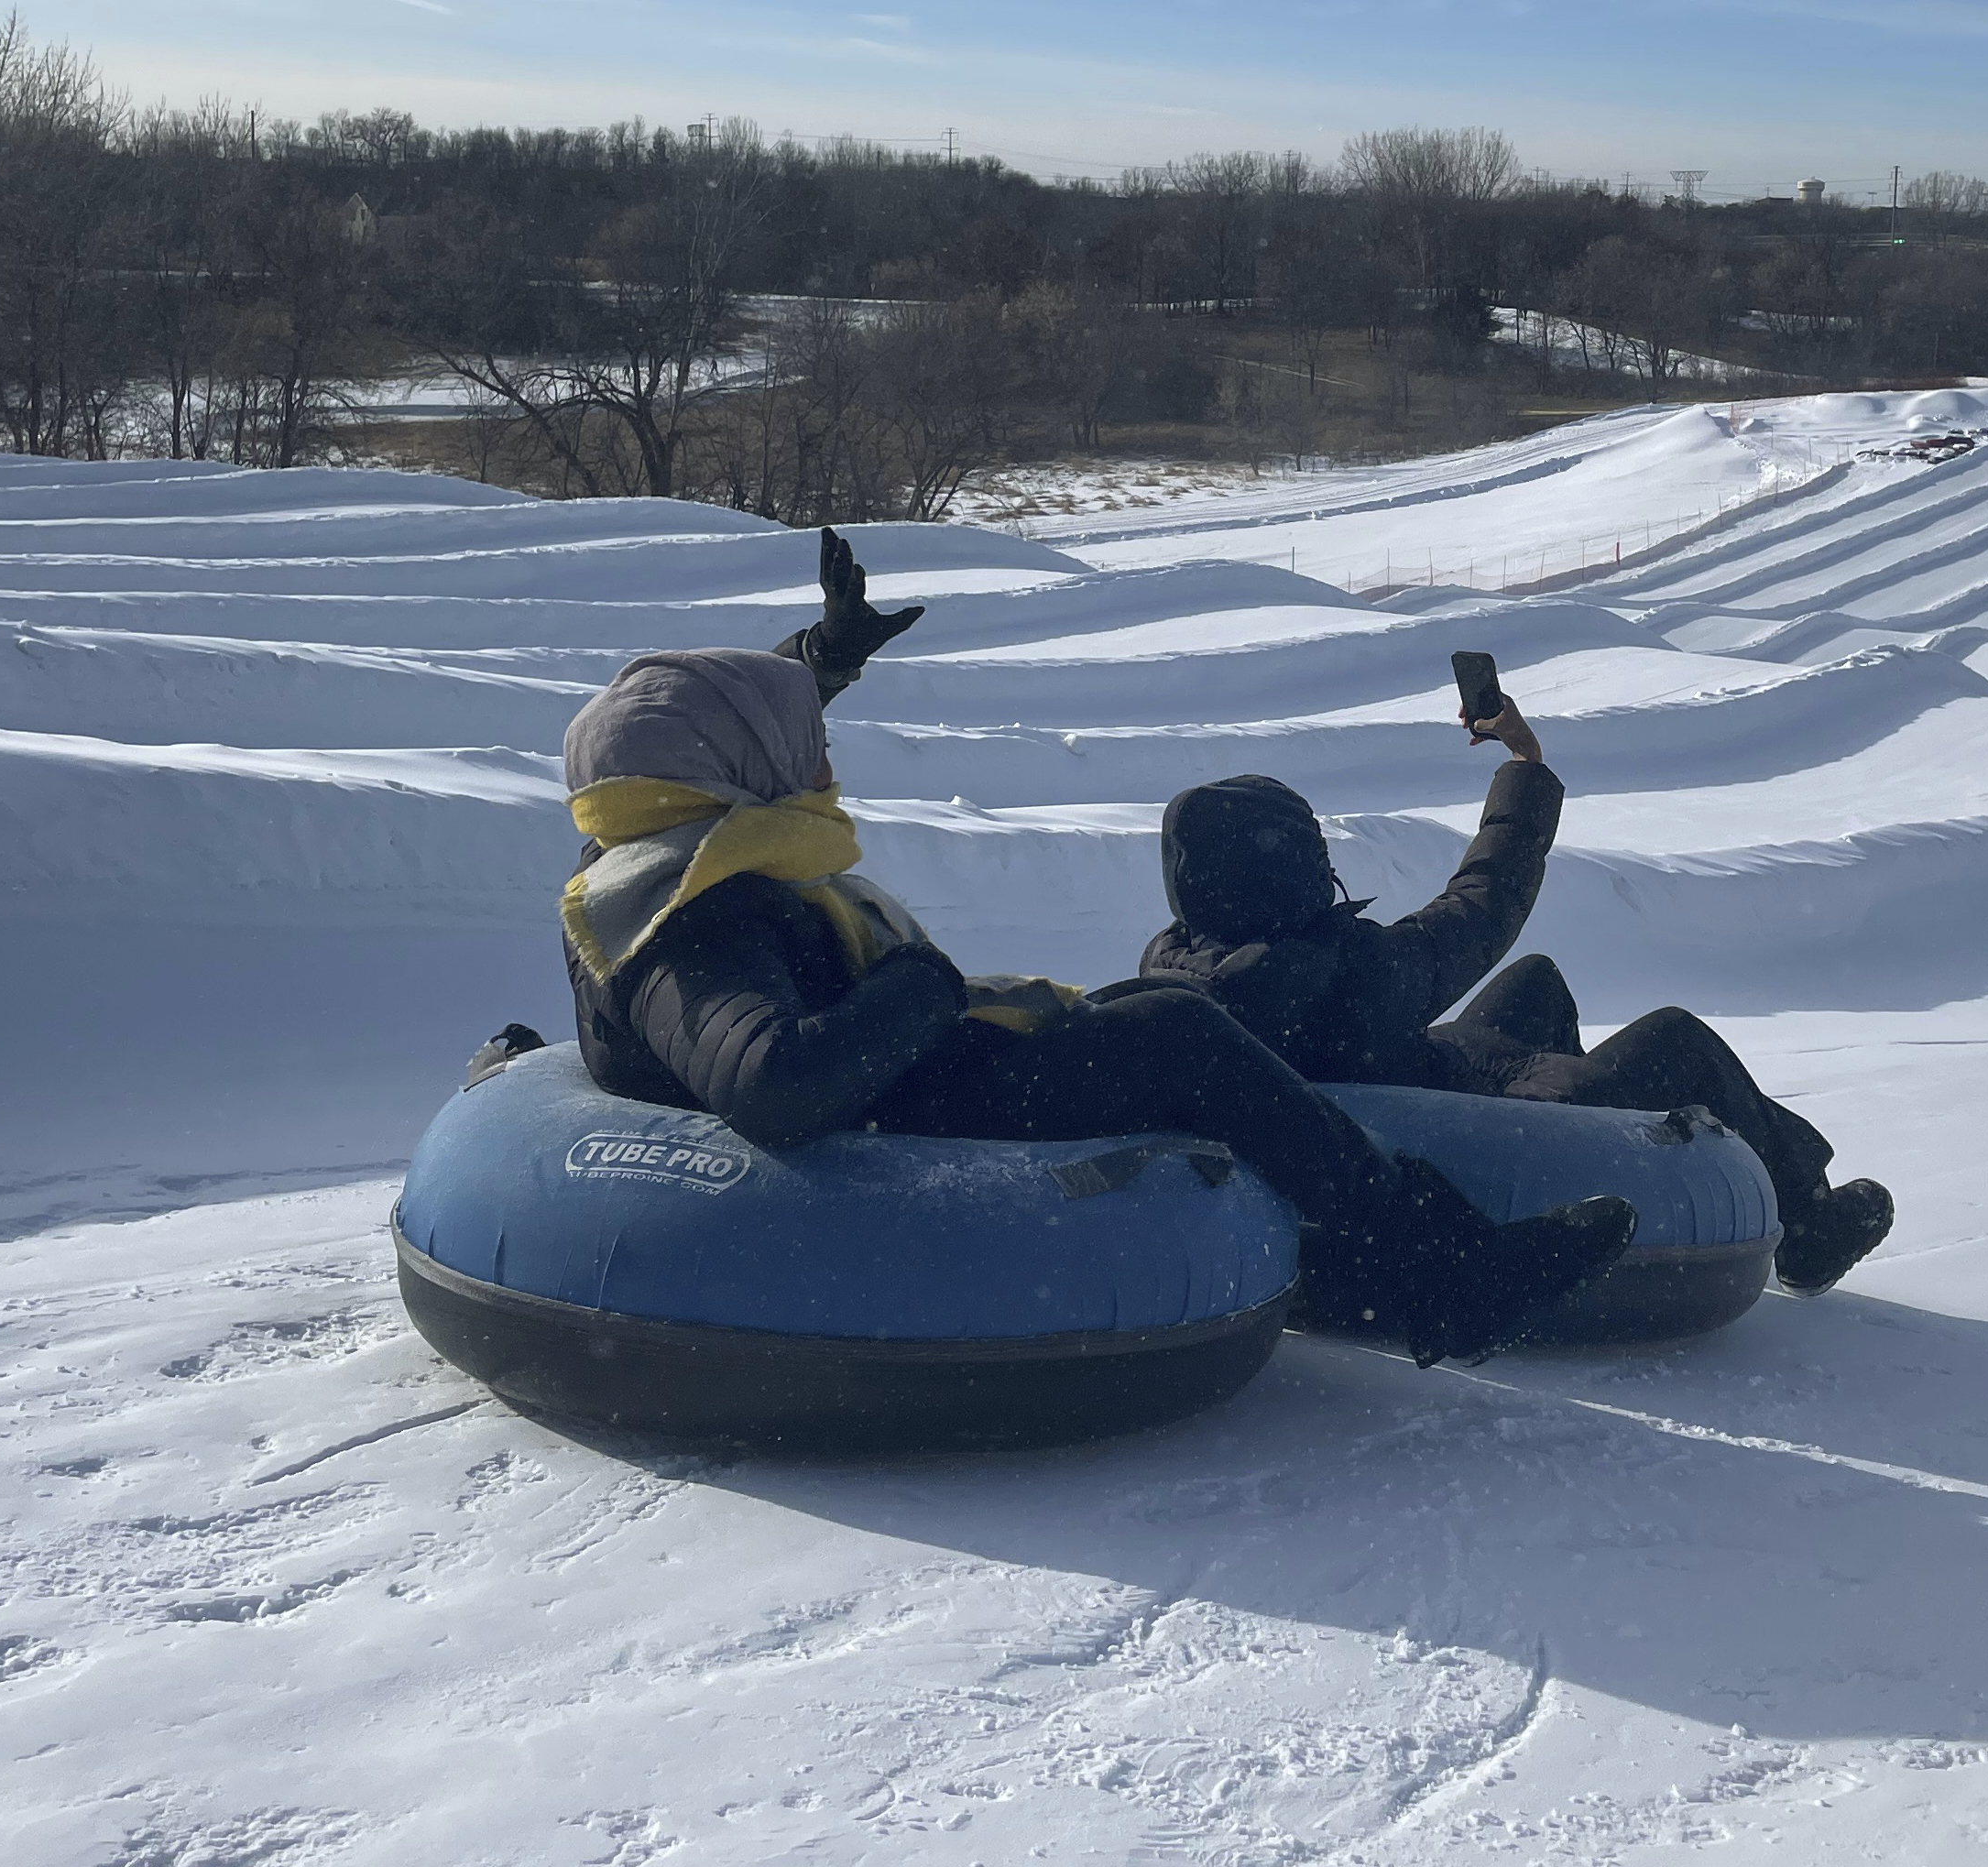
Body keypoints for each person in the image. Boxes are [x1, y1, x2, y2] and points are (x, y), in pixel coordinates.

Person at [554, 531, 1633, 1368]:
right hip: (913, 1104)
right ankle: (1449, 1277)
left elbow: (693, 730)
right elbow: (777, 1082)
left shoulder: (676, 850)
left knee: (1138, 1008)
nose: (815, 758)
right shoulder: (690, 914)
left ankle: (1364, 1253)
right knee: (1175, 1031)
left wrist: (818, 661)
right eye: (796, 739)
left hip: (911, 1074)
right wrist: (920, 982)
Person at [1135, 695, 1897, 1296]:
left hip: (1422, 1082)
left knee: (1535, 980)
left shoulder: (1176, 968)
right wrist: (1526, 764)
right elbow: (1482, 901)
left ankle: (1599, 1151)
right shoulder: (1348, 976)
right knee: (1677, 1037)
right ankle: (1804, 1224)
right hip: (1481, 1122)